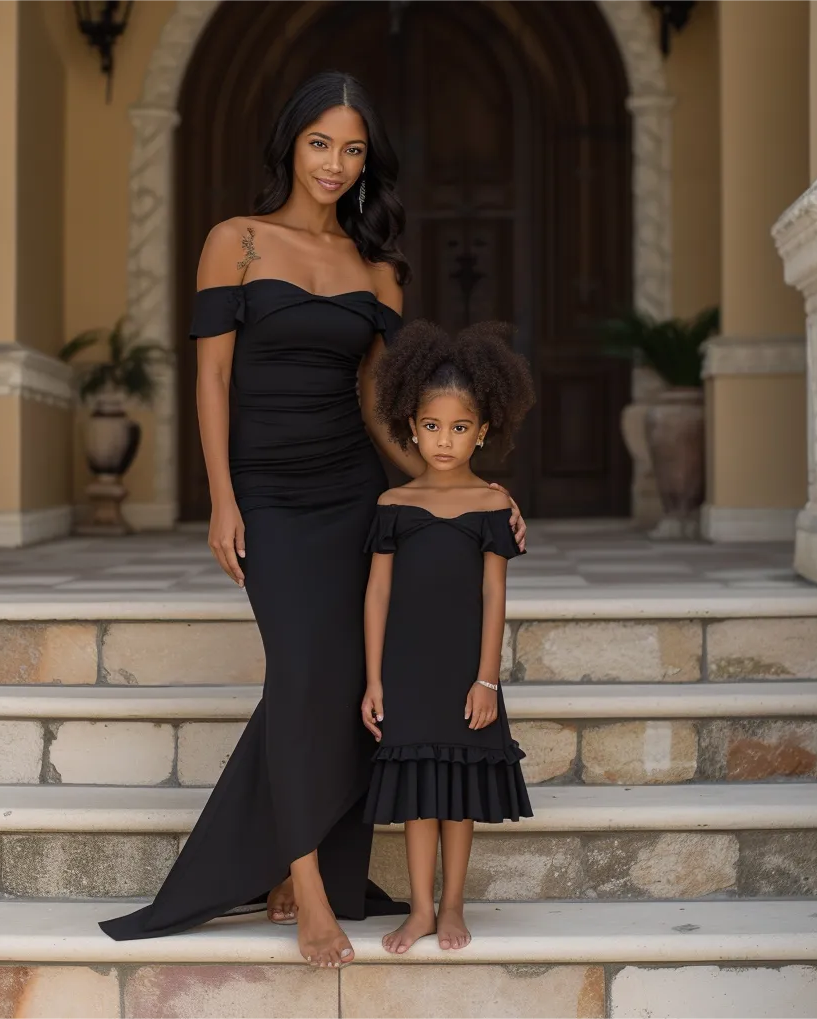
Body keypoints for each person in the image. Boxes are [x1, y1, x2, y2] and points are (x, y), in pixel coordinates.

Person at [100, 71, 526, 968]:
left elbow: (381, 403)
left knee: (339, 681)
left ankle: (297, 872)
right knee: (301, 673)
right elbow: (211, 379)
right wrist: (220, 496)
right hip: (266, 492)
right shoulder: (236, 242)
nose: (335, 164)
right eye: (320, 143)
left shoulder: (378, 270)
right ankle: (309, 890)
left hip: (350, 491)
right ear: (291, 144)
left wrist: (456, 488)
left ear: (369, 163)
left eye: (354, 149)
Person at [360, 319, 536, 955]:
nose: (444, 439)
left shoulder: (491, 507)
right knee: (418, 798)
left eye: (460, 427)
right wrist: (375, 678)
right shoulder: (392, 503)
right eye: (432, 426)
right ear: (411, 425)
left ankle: (455, 906)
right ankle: (420, 909)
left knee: (457, 791)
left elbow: (495, 594)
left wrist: (487, 678)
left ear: (482, 431)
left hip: (466, 671)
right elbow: (377, 593)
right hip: (406, 670)